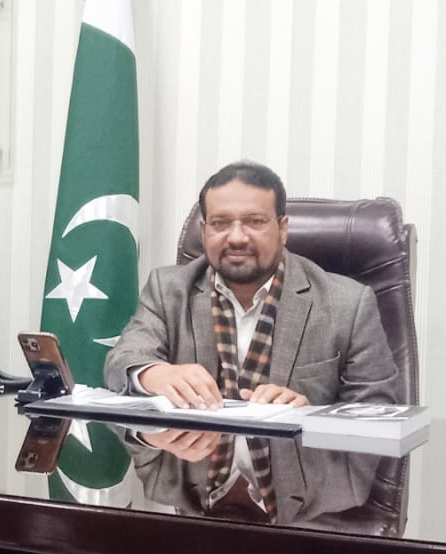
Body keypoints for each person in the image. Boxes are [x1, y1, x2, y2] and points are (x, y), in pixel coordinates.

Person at [104, 160, 397, 411]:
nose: (236, 238)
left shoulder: (348, 304)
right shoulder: (167, 290)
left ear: (283, 229)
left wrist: (308, 417)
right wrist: (155, 375)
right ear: (204, 232)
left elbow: (376, 412)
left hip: (296, 459)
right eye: (220, 223)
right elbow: (119, 362)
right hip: (191, 458)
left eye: (255, 222)